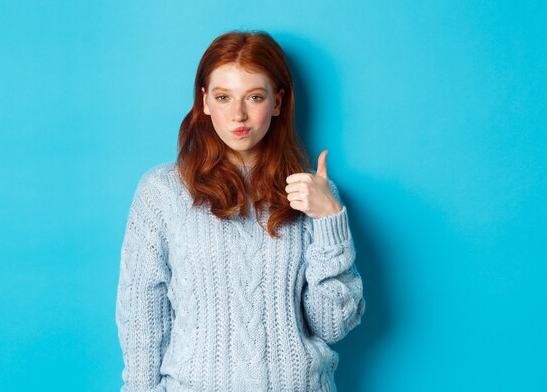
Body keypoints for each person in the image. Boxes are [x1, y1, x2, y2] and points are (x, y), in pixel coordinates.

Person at [115, 31, 365, 392]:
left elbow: (332, 325)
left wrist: (329, 219)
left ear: (277, 102)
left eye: (255, 97)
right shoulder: (162, 193)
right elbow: (142, 319)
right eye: (223, 97)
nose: (238, 114)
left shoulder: (311, 192)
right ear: (204, 102)